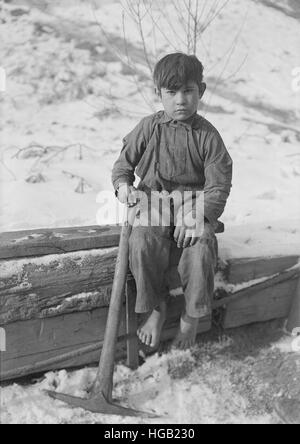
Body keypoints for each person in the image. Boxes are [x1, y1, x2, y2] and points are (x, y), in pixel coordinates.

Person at [112, 53, 232, 350]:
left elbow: (219, 184)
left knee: (201, 245)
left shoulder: (208, 136)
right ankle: (155, 307)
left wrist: (202, 214)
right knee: (141, 242)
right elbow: (122, 165)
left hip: (193, 204)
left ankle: (191, 317)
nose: (180, 100)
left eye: (188, 91)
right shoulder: (149, 127)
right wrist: (123, 186)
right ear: (159, 94)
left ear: (200, 92)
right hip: (153, 200)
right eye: (171, 92)